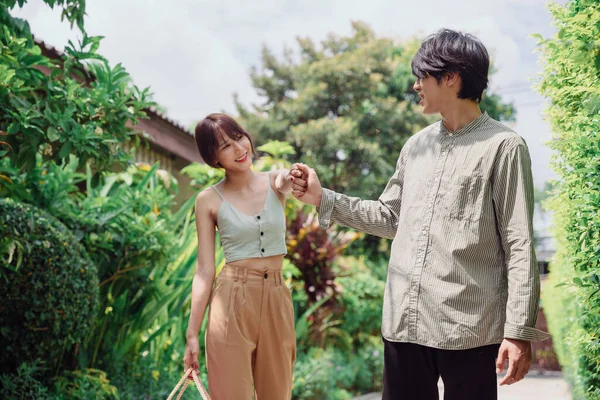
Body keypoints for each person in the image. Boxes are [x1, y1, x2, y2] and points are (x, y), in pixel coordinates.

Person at [290, 28, 550, 400]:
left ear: (451, 78)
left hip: (467, 328)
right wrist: (322, 198)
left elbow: (519, 243)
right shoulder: (416, 146)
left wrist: (518, 330)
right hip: (404, 324)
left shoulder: (503, 147)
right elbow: (388, 216)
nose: (415, 86)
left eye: (421, 76)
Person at [183, 113, 296, 400]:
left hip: (275, 296)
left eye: (238, 137)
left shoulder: (274, 182)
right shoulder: (208, 200)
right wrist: (192, 334)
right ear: (214, 158)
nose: (238, 148)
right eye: (225, 146)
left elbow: (285, 180)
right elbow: (204, 270)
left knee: (277, 393)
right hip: (230, 301)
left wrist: (293, 174)